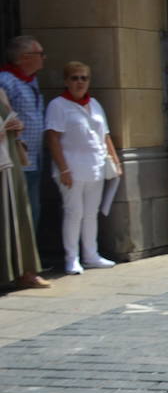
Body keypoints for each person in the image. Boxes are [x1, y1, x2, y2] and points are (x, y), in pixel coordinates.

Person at [44, 61, 121, 274]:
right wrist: (64, 169)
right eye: (74, 78)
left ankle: (91, 254)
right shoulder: (58, 105)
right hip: (72, 169)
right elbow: (52, 138)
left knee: (90, 213)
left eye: (84, 78)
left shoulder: (95, 104)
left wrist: (115, 160)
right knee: (73, 212)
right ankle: (72, 258)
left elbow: (104, 135)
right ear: (66, 81)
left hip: (94, 167)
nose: (79, 82)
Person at [0, 83, 47, 290]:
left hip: (8, 159)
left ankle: (24, 272)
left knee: (18, 213)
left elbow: (15, 120)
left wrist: (16, 125)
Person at [1, 35, 47, 231]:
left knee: (33, 208)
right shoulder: (6, 80)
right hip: (16, 157)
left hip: (34, 156)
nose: (44, 58)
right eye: (40, 54)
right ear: (25, 57)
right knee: (22, 210)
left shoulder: (31, 80)